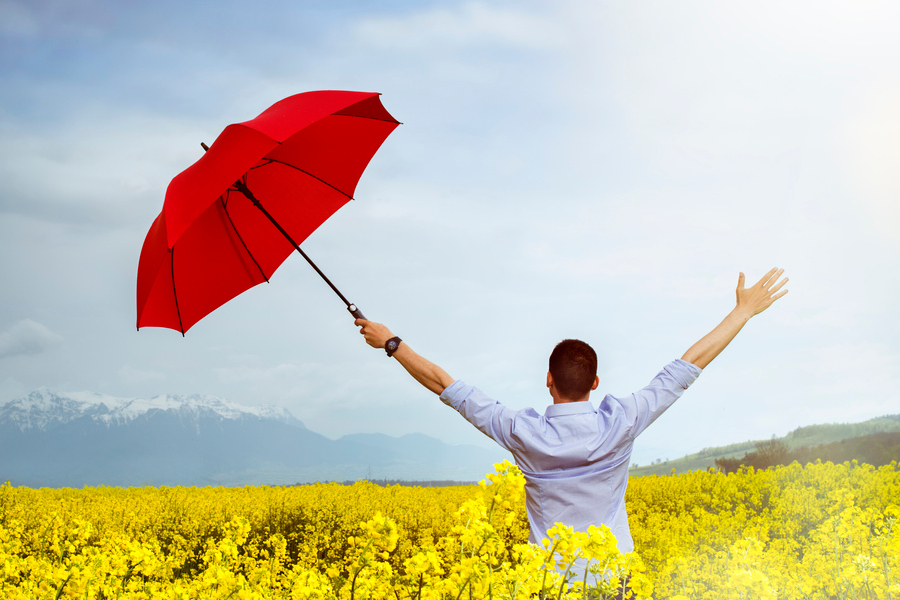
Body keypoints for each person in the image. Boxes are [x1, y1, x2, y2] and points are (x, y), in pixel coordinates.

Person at [355, 268, 788, 554]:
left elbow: (444, 385)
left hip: (550, 582)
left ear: (548, 380)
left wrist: (391, 343)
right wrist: (743, 310)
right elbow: (686, 367)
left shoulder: (520, 432)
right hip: (615, 579)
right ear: (595, 384)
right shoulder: (623, 421)